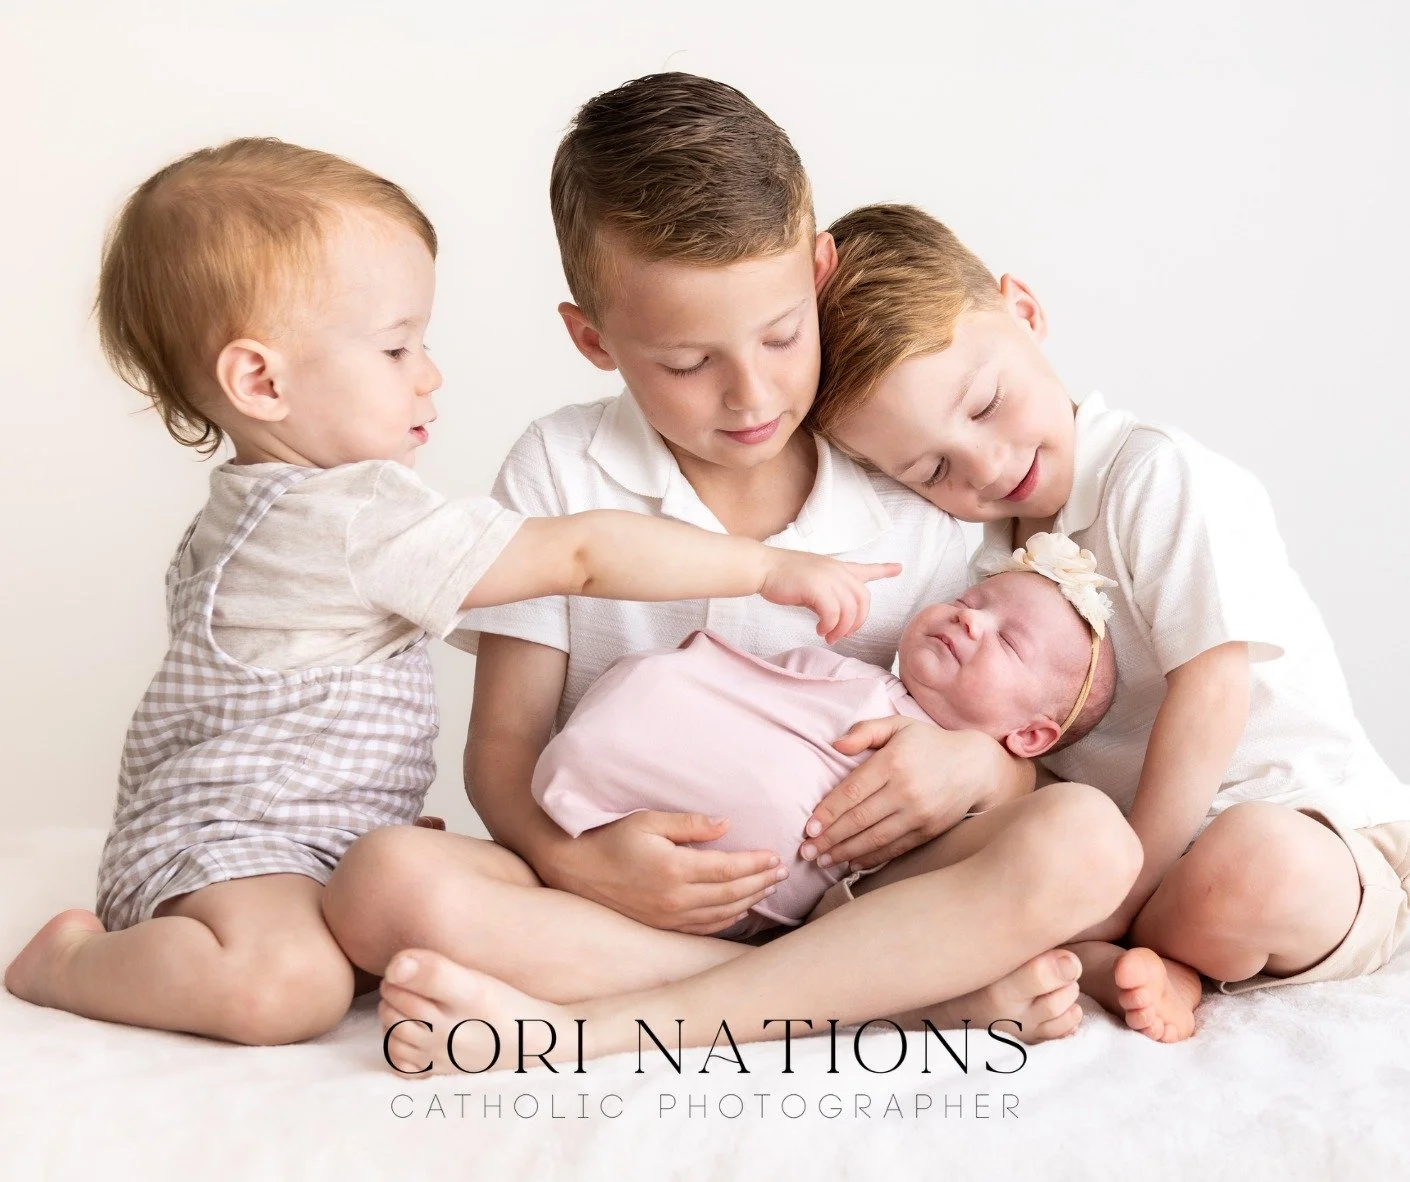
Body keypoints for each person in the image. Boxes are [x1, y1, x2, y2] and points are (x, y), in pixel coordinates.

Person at [323, 75, 1143, 1074]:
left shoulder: (903, 468)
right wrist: (570, 858)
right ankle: (903, 994)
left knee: (1087, 841)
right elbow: (502, 751)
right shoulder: (560, 467)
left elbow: (1013, 717)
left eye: (783, 335)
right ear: (593, 339)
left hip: (861, 892)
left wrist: (978, 770)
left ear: (820, 269)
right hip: (632, 904)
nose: (751, 393)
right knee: (378, 883)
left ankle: (607, 1029)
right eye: (685, 362)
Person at [1, 138, 894, 1045]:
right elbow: (581, 554)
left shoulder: (258, 510)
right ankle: (71, 964)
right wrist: (764, 568)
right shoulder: (346, 517)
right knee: (289, 987)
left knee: (395, 904)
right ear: (260, 380)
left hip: (299, 837)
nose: (428, 374)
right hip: (232, 845)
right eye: (395, 348)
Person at [807, 202, 1410, 1042]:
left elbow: (1214, 692)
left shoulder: (1148, 474)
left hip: (1314, 827)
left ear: (1024, 312)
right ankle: (1157, 957)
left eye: (984, 407)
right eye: (932, 467)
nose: (985, 465)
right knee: (1004, 889)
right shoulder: (978, 567)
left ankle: (1126, 940)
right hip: (1126, 860)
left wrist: (1120, 894)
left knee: (1253, 866)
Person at [534, 541, 1117, 937]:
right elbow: (752, 690)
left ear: (1032, 734)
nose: (970, 620)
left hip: (764, 912)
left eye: (1009, 643)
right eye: (968, 602)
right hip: (614, 816)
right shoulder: (850, 675)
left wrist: (982, 773)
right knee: (657, 685)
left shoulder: (974, 810)